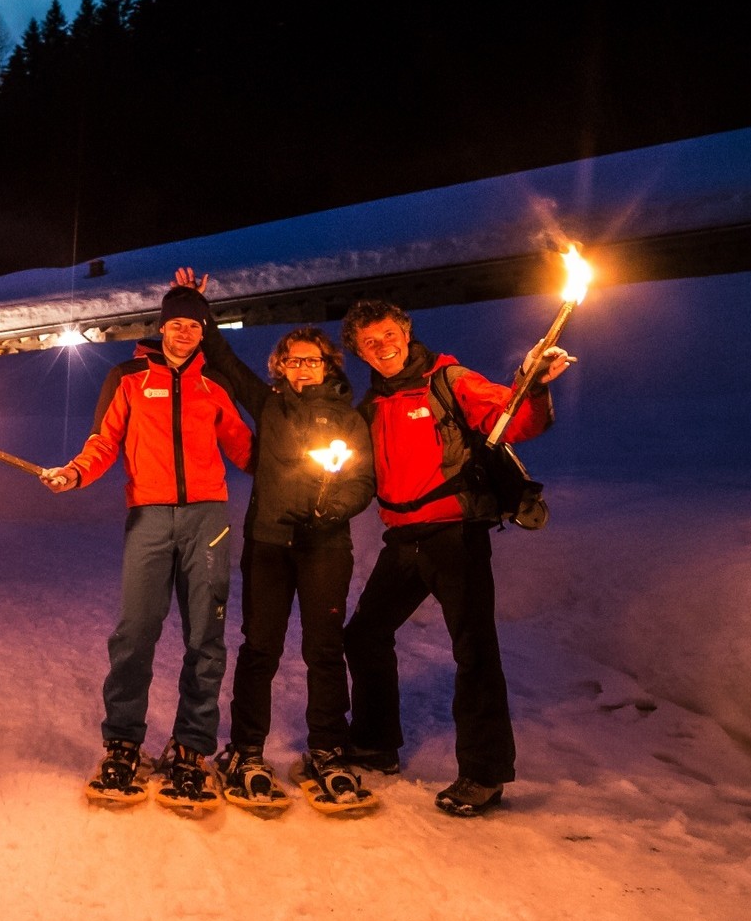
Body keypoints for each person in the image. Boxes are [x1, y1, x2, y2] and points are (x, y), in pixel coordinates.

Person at [339, 298, 570, 817]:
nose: (382, 346)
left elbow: (513, 418)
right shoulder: (372, 405)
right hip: (403, 539)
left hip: (454, 536)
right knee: (364, 635)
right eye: (369, 342)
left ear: (406, 331)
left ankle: (483, 775)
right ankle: (375, 744)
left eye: (388, 334)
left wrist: (532, 383)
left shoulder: (449, 380)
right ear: (359, 352)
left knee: (474, 650)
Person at [172, 268, 377, 814]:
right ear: (280, 367)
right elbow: (221, 357)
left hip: (325, 549)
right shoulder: (268, 404)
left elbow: (363, 481)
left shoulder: (350, 420)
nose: (302, 367)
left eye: (312, 360)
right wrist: (194, 302)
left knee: (324, 650)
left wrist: (334, 507)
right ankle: (245, 750)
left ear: (329, 365)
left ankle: (328, 749)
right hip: (268, 544)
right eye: (293, 360)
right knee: (260, 648)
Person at [42, 285, 254, 811]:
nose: (184, 332)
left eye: (194, 325)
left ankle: (192, 747)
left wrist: (298, 466)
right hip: (149, 516)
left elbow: (245, 448)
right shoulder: (129, 377)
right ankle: (123, 742)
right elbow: (104, 441)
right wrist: (75, 473)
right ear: (162, 326)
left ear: (203, 332)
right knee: (135, 632)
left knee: (206, 635)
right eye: (176, 323)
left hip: (208, 518)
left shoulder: (214, 382)